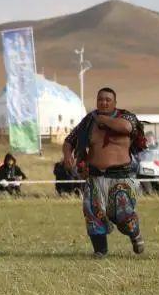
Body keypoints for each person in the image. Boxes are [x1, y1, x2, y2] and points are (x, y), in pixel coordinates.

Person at [62, 87, 148, 257]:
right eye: (100, 99)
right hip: (95, 176)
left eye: (108, 100)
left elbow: (127, 128)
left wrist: (103, 119)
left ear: (115, 102)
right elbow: (69, 140)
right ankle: (100, 251)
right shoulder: (88, 121)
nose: (104, 102)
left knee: (122, 213)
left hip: (121, 176)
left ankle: (135, 235)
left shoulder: (126, 116)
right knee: (92, 213)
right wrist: (67, 156)